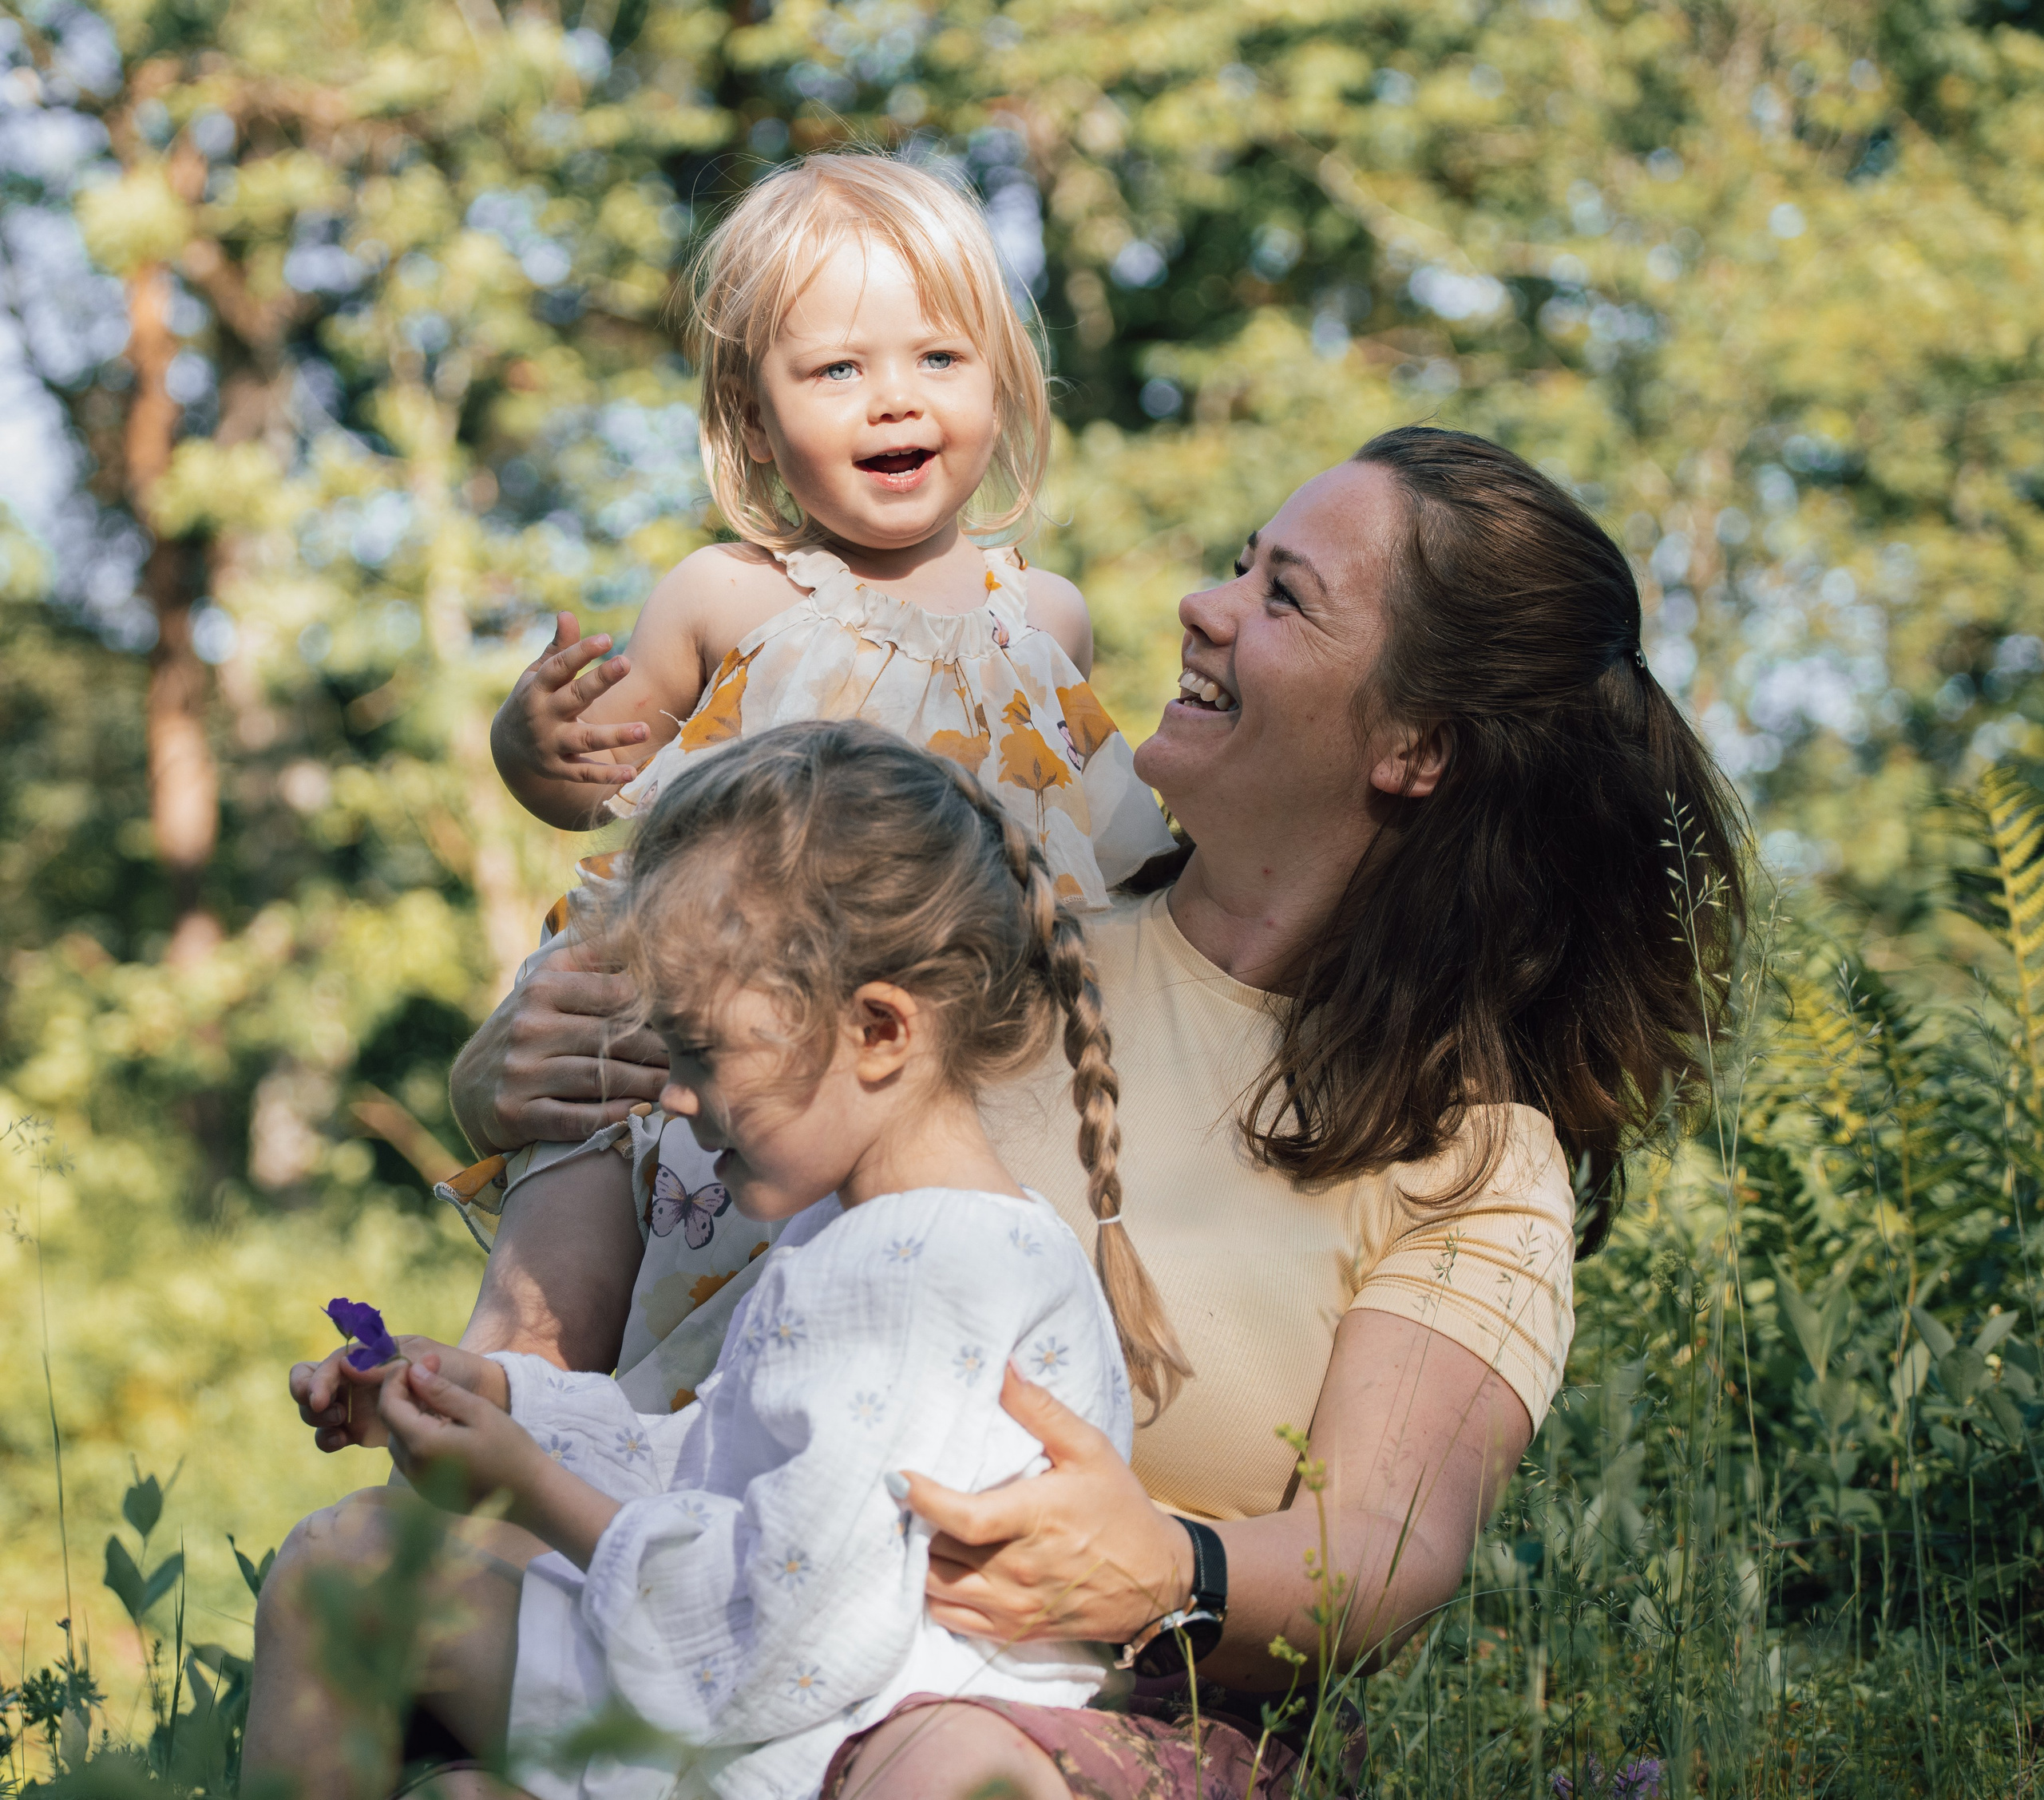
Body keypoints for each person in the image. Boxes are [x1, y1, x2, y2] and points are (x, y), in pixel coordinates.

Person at [266, 426, 1746, 1799]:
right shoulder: (1002, 953)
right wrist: (509, 1082)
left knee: (945, 1769)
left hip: (1105, 1701)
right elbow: (699, 1080)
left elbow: (1384, 1552)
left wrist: (1170, 1569)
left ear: (1416, 747)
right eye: (1240, 563)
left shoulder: (1474, 1158)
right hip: (759, 1581)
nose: (1201, 605)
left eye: (1282, 599)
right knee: (352, 1571)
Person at [252, 722, 1196, 1800]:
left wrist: (527, 1490)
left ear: (880, 1030)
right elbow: (714, 1467)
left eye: (702, 1053)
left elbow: (789, 1630)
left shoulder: (926, 1276)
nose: (676, 1097)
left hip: (795, 1744)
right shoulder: (879, 1235)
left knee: (350, 1583)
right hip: (759, 1709)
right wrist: (495, 1401)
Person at [432, 148, 1173, 1253]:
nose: (894, 400)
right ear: (753, 415)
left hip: (935, 1043)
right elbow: (592, 784)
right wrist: (530, 744)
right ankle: (526, 1388)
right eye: (836, 371)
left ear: (1003, 380)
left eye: (938, 356)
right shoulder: (728, 595)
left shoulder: (1044, 620)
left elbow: (1099, 857)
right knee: (623, 1210)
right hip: (720, 1026)